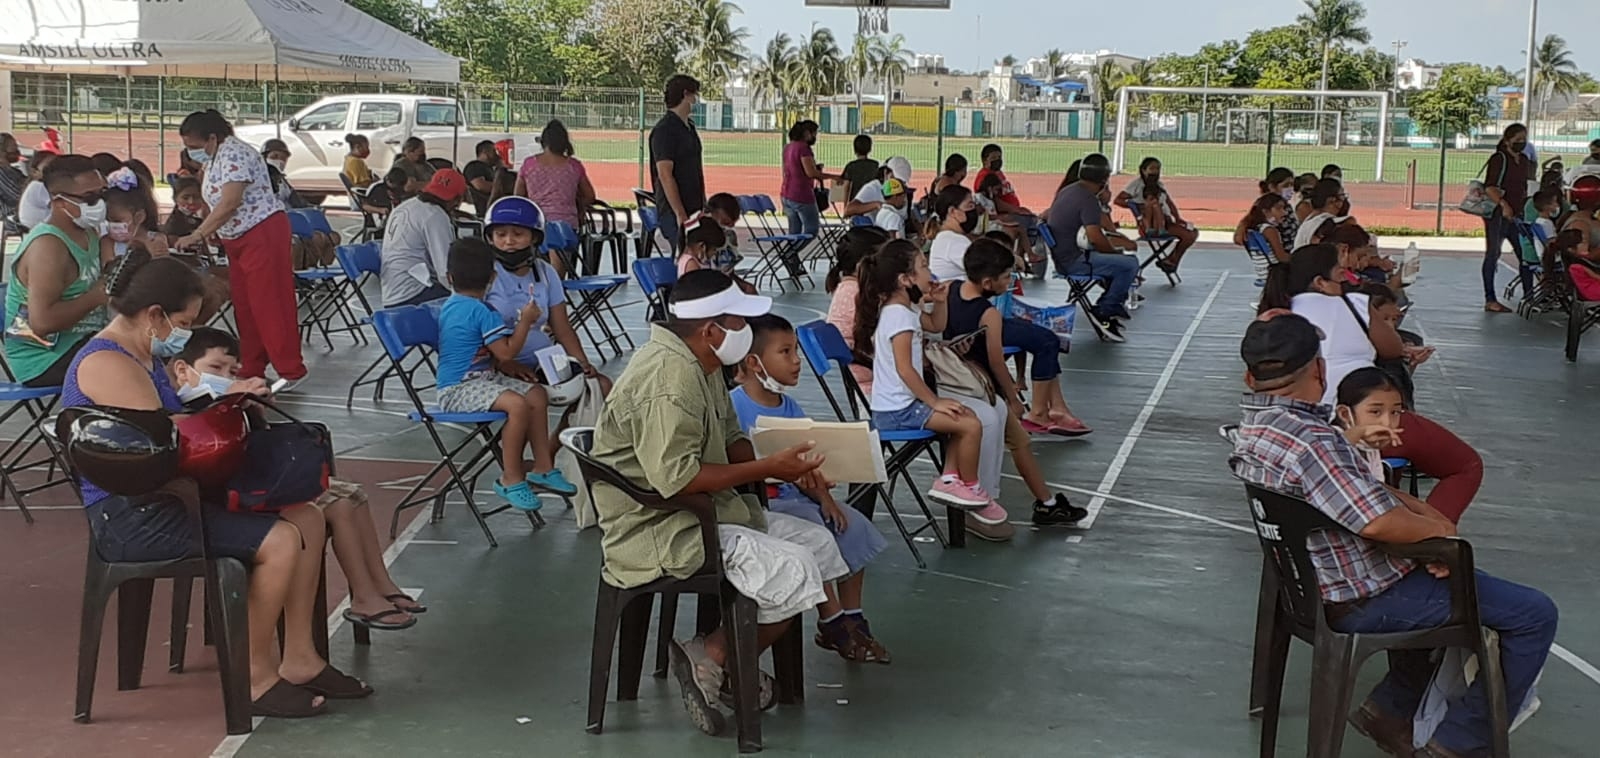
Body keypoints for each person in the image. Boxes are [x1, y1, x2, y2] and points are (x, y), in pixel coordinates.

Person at [1229, 313, 1557, 758]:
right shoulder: (1313, 443)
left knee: (1440, 576)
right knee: (1533, 612)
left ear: (1251, 376)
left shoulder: (1254, 428)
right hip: (1361, 596)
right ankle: (1459, 742)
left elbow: (1343, 491)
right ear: (1320, 370)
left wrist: (1351, 438)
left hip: (1306, 587)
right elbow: (1378, 523)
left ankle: (1389, 709)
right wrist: (1440, 534)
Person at [65, 249, 370, 718]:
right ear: (154, 315)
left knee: (307, 517)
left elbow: (176, 430)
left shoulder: (139, 356)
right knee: (282, 541)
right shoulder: (110, 364)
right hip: (133, 515)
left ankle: (301, 658)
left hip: (167, 499)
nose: (182, 334)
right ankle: (253, 675)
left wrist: (231, 403)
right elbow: (167, 450)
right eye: (183, 322)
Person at [588, 269, 848, 736]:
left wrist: (781, 462)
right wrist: (769, 470)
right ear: (710, 331)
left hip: (706, 511)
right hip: (661, 526)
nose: (746, 333)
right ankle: (713, 656)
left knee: (820, 546)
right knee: (794, 568)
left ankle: (720, 660)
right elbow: (678, 480)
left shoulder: (701, 364)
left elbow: (730, 439)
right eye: (739, 323)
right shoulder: (670, 380)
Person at [169, 327, 425, 629]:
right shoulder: (190, 409)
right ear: (183, 370)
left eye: (232, 371)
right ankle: (364, 596)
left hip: (252, 484)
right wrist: (229, 401)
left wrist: (252, 406)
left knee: (354, 495)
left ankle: (381, 584)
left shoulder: (229, 400)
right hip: (235, 497)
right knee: (341, 505)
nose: (225, 376)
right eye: (215, 368)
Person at [1257, 244, 1483, 523]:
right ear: (1321, 283)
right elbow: (1391, 348)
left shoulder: (1274, 315)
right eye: (1342, 275)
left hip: (1295, 427)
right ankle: (1432, 534)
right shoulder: (1355, 304)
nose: (1349, 279)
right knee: (1466, 464)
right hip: (1364, 416)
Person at [730, 314, 892, 663]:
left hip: (799, 496)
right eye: (785, 352)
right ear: (753, 362)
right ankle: (832, 622)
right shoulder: (734, 407)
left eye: (795, 351)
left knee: (853, 527)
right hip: (767, 503)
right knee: (816, 532)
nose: (796, 361)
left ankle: (853, 617)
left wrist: (826, 498)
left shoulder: (792, 408)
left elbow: (810, 463)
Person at [854, 239, 1008, 537]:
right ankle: (971, 487)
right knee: (970, 424)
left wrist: (938, 301)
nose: (929, 271)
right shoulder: (898, 316)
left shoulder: (906, 307)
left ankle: (951, 478)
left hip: (905, 404)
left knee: (960, 418)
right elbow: (905, 368)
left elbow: (936, 326)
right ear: (905, 279)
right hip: (897, 411)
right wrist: (934, 402)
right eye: (923, 266)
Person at [945, 239, 1090, 527]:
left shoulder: (949, 290)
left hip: (955, 380)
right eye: (1006, 277)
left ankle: (1047, 502)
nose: (1010, 281)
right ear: (988, 282)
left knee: (1020, 443)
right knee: (1018, 442)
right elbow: (997, 361)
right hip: (982, 387)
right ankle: (991, 502)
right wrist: (1011, 396)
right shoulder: (988, 314)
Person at [435, 237, 578, 509]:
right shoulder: (481, 312)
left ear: (449, 277)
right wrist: (526, 321)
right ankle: (510, 478)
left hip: (482, 380)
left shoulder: (453, 304)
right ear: (492, 277)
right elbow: (506, 353)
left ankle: (542, 467)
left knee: (536, 394)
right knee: (518, 405)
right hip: (457, 389)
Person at [175, 109, 306, 387]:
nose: (191, 152)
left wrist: (200, 233)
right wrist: (214, 230)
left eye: (194, 146)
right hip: (236, 236)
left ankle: (289, 367)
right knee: (245, 306)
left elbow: (230, 201)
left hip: (261, 232)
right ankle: (252, 363)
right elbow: (214, 200)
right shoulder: (213, 160)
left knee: (270, 302)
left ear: (212, 138)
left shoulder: (236, 153)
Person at [481, 196, 614, 404]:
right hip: (499, 365)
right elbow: (469, 328)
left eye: (518, 234)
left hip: (543, 362)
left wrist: (581, 363)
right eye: (500, 234)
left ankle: (562, 437)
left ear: (535, 237)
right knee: (535, 396)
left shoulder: (545, 272)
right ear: (490, 238)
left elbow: (562, 328)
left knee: (599, 386)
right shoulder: (483, 274)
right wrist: (501, 363)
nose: (509, 241)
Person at [4, 154, 113, 386]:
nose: (100, 203)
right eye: (89, 198)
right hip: (45, 359)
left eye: (102, 194)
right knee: (133, 359)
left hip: (84, 342)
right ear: (59, 201)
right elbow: (41, 323)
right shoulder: (48, 246)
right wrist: (94, 297)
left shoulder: (88, 232)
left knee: (153, 340)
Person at [1045, 153, 1138, 338]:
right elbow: (1095, 237)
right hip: (1075, 261)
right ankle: (1105, 309)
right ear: (1104, 179)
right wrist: (1114, 253)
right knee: (1130, 264)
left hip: (1062, 257)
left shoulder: (1068, 190)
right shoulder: (1088, 200)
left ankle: (1114, 303)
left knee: (1119, 262)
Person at [379, 169, 469, 307]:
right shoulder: (435, 215)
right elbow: (445, 271)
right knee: (472, 309)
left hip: (390, 291)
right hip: (413, 294)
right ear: (457, 200)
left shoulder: (406, 206)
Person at [825, 226, 890, 395]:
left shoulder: (849, 286)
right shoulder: (855, 293)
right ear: (865, 264)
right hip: (874, 380)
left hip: (868, 374)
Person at [649, 75, 706, 255]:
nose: (696, 100)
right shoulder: (665, 130)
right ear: (685, 95)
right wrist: (679, 213)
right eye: (694, 95)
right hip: (675, 210)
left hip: (694, 206)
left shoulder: (688, 127)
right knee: (686, 255)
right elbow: (665, 175)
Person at [1481, 124, 1533, 313]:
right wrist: (1504, 204)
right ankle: (1490, 299)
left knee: (1525, 254)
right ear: (1507, 140)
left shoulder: (1524, 160)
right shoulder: (1499, 159)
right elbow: (1490, 186)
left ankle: (1530, 296)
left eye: (1524, 139)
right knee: (1493, 254)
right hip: (1498, 214)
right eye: (1517, 139)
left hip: (1517, 214)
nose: (1521, 143)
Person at [514, 120, 595, 240]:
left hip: (536, 223)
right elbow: (590, 196)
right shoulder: (574, 166)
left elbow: (518, 196)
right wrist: (575, 204)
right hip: (567, 225)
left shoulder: (529, 164)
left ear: (543, 142)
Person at [1114, 157, 1197, 273]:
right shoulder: (1136, 185)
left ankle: (1171, 260)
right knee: (1188, 235)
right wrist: (1138, 206)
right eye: (1152, 168)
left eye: (1157, 168)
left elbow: (1169, 203)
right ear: (1144, 170)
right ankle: (1172, 261)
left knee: (1193, 233)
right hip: (1152, 223)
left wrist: (1178, 218)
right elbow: (1118, 200)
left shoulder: (1159, 185)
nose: (1155, 171)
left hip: (1166, 220)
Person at [780, 120, 837, 237]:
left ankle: (789, 254)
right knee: (811, 230)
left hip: (786, 193)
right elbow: (811, 173)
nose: (815, 137)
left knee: (794, 233)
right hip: (802, 194)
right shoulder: (804, 149)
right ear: (807, 133)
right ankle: (790, 253)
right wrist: (832, 176)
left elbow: (794, 167)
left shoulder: (788, 147)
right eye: (814, 133)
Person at [103, 166, 169, 257]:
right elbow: (109, 268)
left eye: (117, 221)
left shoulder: (156, 239)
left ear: (139, 217)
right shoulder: (107, 242)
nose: (109, 224)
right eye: (106, 219)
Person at [1233, 193, 1292, 281]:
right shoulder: (1269, 230)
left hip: (1263, 272)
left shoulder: (1255, 228)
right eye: (1279, 208)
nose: (1285, 212)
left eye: (1284, 208)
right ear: (1266, 211)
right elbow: (1281, 257)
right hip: (1275, 273)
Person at [927, 185, 980, 281]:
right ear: (952, 211)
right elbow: (985, 268)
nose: (974, 210)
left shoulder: (945, 237)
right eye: (970, 206)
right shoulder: (953, 241)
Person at [843, 155, 911, 219]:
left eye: (901, 182)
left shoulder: (902, 191)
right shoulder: (874, 187)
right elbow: (848, 210)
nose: (898, 184)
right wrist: (876, 205)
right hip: (877, 229)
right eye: (895, 179)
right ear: (886, 173)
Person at [1292, 178, 1350, 250]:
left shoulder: (1312, 219)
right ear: (1331, 200)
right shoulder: (1325, 222)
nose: (1344, 199)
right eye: (1342, 195)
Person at [17, 151, 57, 230]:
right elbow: (58, 205)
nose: (55, 170)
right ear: (35, 171)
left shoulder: (34, 184)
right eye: (49, 167)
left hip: (35, 226)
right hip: (39, 227)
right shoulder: (40, 186)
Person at [1259, 167, 1299, 243]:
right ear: (1272, 187)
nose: (1290, 189)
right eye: (1286, 185)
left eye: (1292, 185)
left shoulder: (1287, 206)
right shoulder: (1269, 208)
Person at [462, 140, 502, 217]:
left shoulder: (491, 169)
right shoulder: (475, 166)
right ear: (484, 152)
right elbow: (480, 186)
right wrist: (500, 186)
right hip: (482, 206)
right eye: (493, 151)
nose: (496, 154)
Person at [840, 134, 878, 201]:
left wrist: (846, 206)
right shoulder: (875, 165)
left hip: (855, 201)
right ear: (869, 149)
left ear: (855, 149)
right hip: (871, 200)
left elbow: (846, 188)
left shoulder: (851, 166)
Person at [0, 133, 25, 232]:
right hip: (7, 222)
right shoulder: (1, 173)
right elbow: (18, 196)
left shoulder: (14, 172)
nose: (17, 151)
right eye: (13, 147)